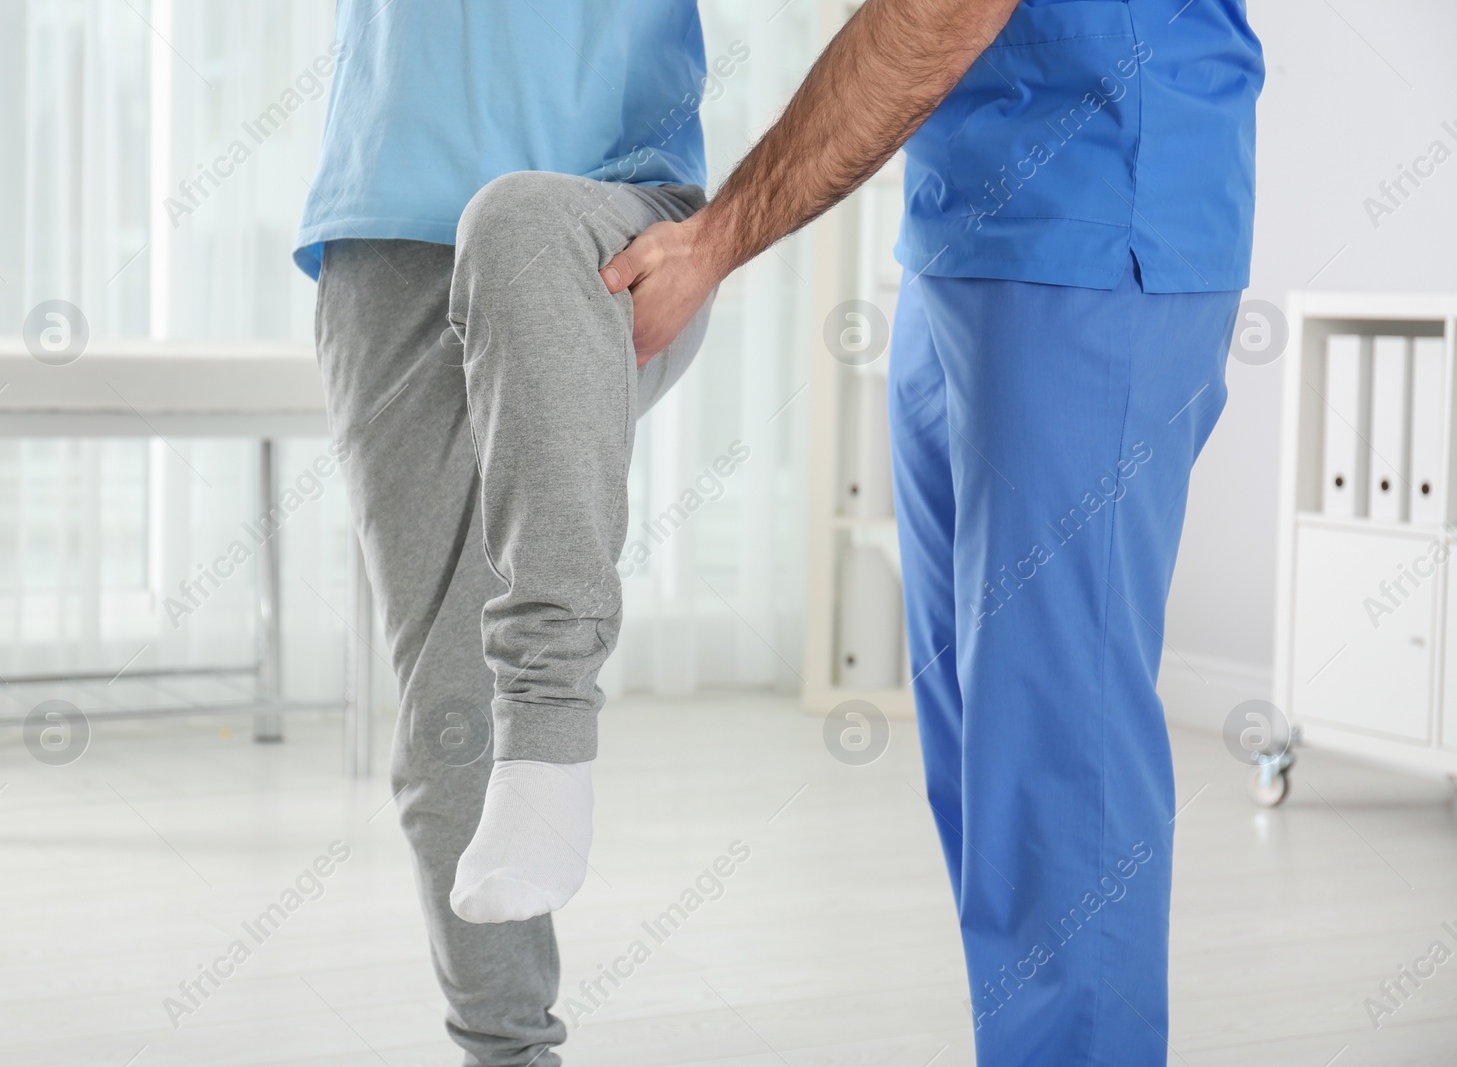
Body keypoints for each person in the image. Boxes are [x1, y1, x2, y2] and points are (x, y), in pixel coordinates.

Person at [603, 0, 1263, 1063]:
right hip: (967, 233)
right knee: (982, 751)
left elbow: (938, 10)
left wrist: (715, 239)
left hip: (1092, 221)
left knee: (1056, 749)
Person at [294, 3, 713, 1065]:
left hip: (613, 220)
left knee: (518, 214)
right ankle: (509, 1051)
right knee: (445, 720)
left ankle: (551, 722)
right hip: (383, 235)